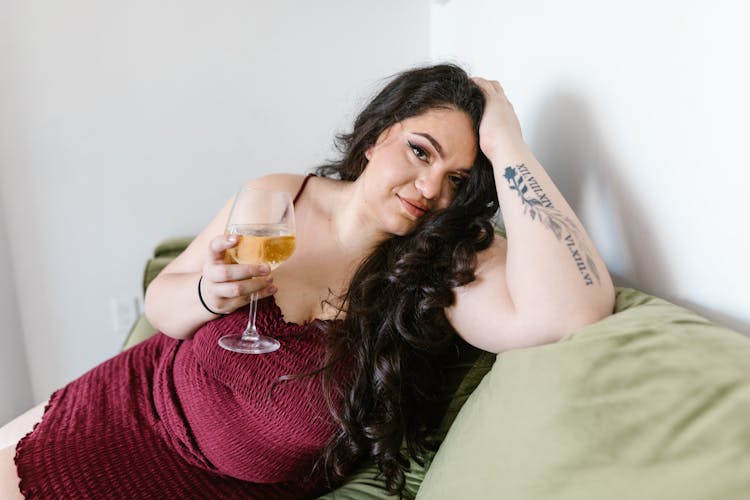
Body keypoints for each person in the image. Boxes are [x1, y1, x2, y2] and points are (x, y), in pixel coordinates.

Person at [0, 64, 615, 498]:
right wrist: (206, 295)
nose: (431, 189)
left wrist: (508, 146)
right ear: (377, 138)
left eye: (458, 180)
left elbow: (571, 311)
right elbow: (164, 305)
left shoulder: (443, 267)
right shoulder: (280, 196)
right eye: (422, 152)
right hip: (123, 405)